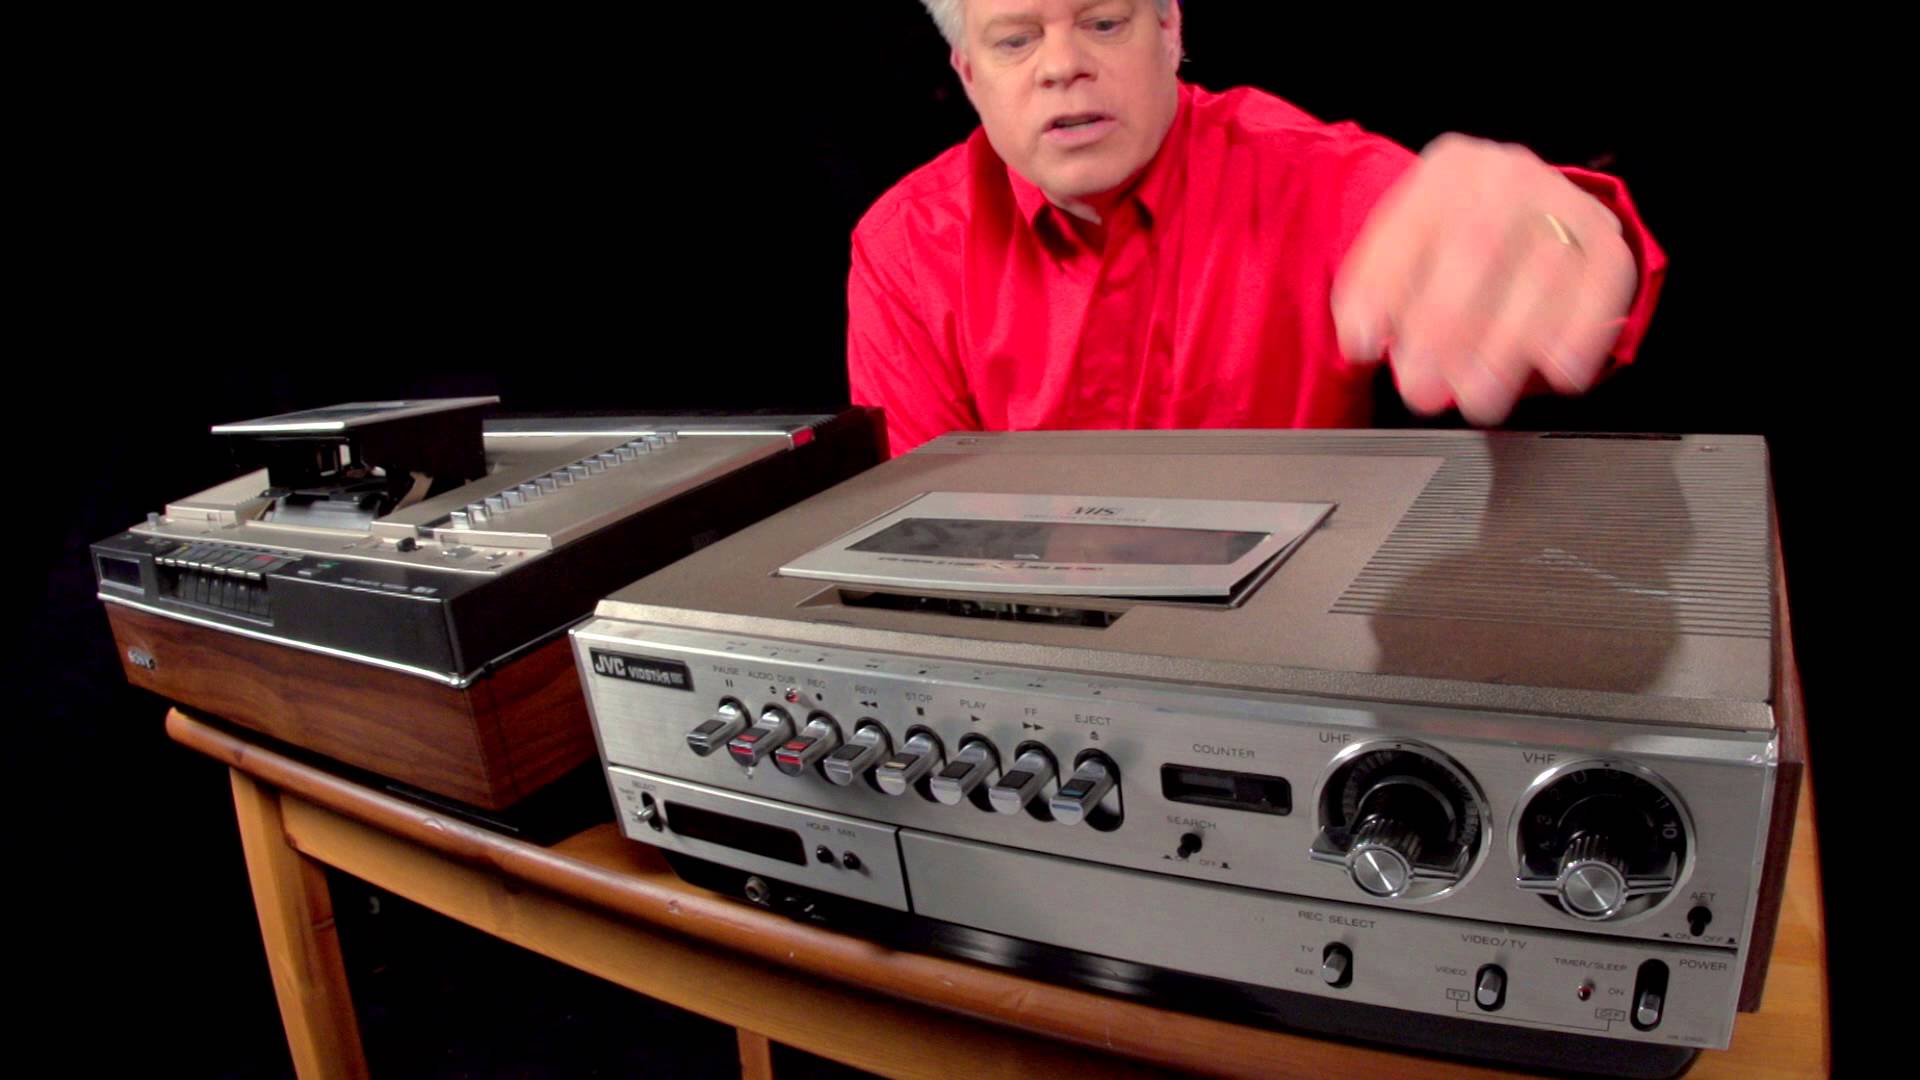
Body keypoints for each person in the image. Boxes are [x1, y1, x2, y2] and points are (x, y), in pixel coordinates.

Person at [848, 0, 1665, 457]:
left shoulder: (1309, 177)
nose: (1062, 66)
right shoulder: (902, 247)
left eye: (1103, 23)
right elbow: (925, 528)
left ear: (1170, 31)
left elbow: (1479, 241)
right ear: (968, 74)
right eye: (1015, 40)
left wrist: (1560, 242)